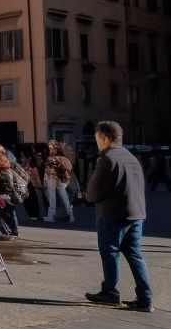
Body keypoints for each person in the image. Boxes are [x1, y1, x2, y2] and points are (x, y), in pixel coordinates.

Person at [83, 121, 152, 312]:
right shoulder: (131, 157)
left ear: (104, 138)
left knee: (110, 252)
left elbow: (93, 192)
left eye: (97, 138)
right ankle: (145, 296)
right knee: (135, 254)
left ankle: (110, 292)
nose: (97, 143)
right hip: (136, 213)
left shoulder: (107, 159)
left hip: (112, 213)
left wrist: (89, 195)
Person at [42, 140, 75, 223]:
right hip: (60, 178)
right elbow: (69, 168)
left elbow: (48, 169)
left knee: (52, 198)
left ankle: (51, 216)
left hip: (52, 178)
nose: (50, 148)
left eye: (51, 147)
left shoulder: (52, 157)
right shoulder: (64, 157)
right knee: (64, 197)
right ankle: (70, 215)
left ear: (55, 147)